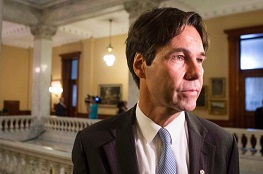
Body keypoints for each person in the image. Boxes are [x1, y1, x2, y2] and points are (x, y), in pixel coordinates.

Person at [72, 7, 239, 174]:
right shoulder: (91, 143)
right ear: (140, 65)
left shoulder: (223, 144)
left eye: (200, 60)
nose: (196, 73)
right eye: (179, 57)